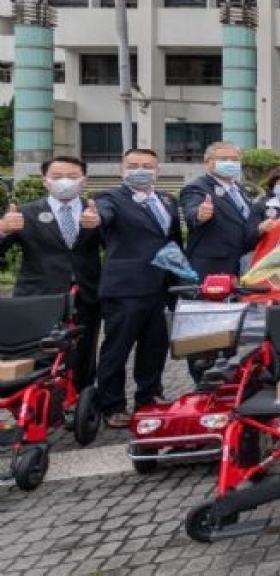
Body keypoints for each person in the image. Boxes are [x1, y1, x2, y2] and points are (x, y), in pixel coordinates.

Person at [93, 148, 183, 428]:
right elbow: (102, 216)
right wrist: (94, 220)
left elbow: (173, 243)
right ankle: (111, 404)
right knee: (117, 348)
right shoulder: (109, 198)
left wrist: (182, 280)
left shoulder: (167, 200)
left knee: (155, 346)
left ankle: (149, 396)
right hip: (126, 287)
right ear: (122, 170)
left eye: (147, 165)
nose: (140, 170)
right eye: (133, 165)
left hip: (160, 286)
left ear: (157, 170)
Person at [0, 156, 103, 394]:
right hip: (39, 297)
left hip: (86, 294)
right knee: (39, 352)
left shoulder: (96, 212)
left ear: (84, 181)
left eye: (72, 176)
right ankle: (36, 403)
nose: (65, 181)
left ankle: (81, 400)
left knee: (84, 351)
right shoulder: (26, 213)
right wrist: (3, 230)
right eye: (57, 177)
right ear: (45, 181)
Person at [179, 142, 258, 280]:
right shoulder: (197, 187)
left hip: (241, 264)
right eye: (223, 159)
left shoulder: (241, 189)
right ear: (207, 162)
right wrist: (199, 214)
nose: (230, 163)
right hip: (212, 267)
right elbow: (191, 212)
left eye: (234, 160)